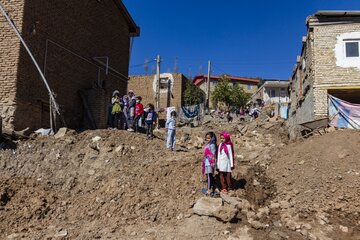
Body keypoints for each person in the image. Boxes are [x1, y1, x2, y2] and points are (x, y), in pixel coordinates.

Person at [201, 131, 220, 196]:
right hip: (207, 162)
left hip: (210, 163)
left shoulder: (212, 145)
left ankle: (209, 189)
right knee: (210, 176)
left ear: (212, 138)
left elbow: (213, 154)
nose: (207, 139)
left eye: (209, 138)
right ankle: (216, 188)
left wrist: (208, 157)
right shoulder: (208, 144)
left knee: (209, 176)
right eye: (206, 138)